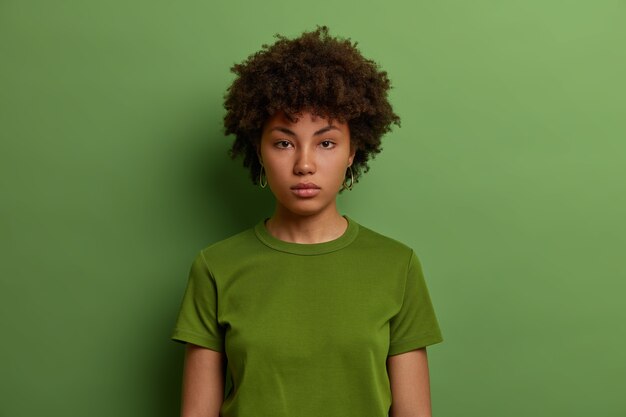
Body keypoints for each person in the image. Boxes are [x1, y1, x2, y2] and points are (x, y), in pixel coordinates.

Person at [171, 26, 444, 417]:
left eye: (326, 142)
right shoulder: (215, 267)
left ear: (353, 151)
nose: (304, 164)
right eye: (283, 142)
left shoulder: (397, 266)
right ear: (259, 151)